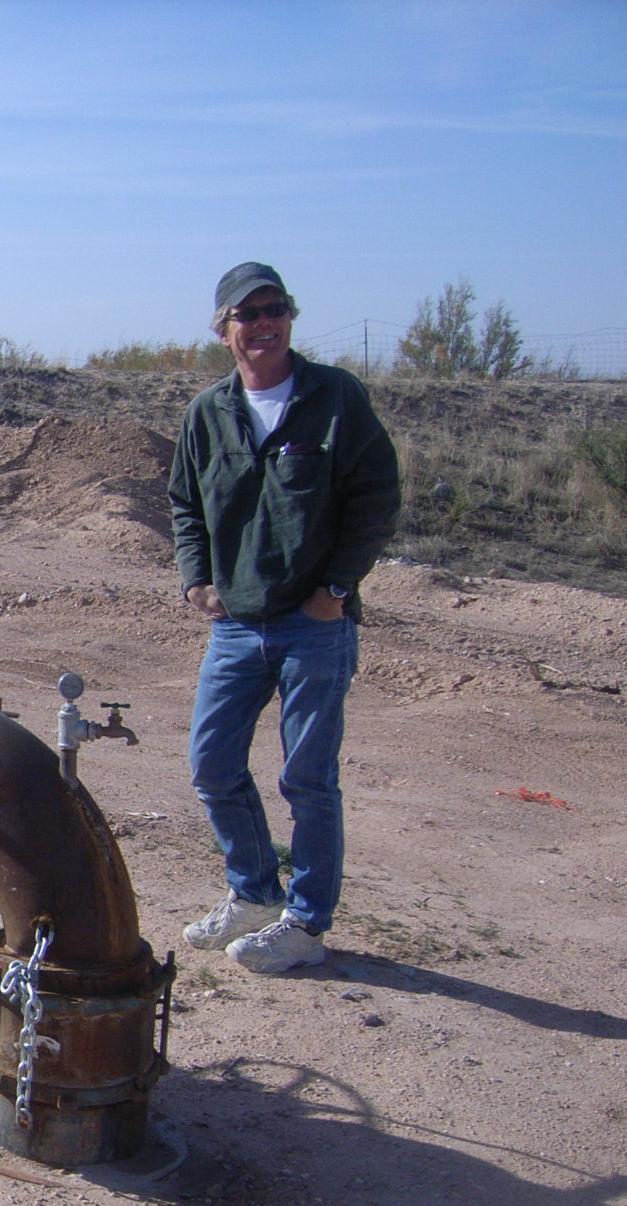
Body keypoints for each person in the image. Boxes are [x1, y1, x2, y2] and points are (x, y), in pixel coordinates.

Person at [170, 261, 400, 974]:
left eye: (275, 309)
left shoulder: (335, 397)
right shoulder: (208, 412)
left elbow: (376, 497)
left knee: (307, 780)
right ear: (224, 329)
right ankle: (254, 894)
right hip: (237, 624)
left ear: (289, 319)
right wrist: (197, 580)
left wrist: (335, 587)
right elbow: (185, 504)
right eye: (248, 314)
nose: (264, 323)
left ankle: (305, 923)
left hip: (315, 625)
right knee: (211, 766)